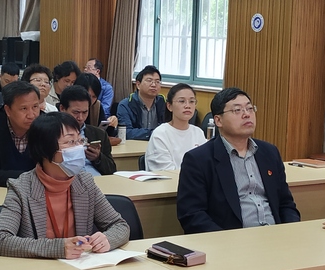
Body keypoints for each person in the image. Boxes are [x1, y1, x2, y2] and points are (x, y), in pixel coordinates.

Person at [0, 112, 129, 259]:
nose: (79, 147)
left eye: (80, 140)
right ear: (45, 149)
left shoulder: (84, 182)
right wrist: (57, 248)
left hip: (80, 267)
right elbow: (0, 240)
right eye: (70, 142)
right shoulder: (21, 188)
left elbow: (119, 225)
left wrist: (107, 239)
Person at [177, 87, 300, 234]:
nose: (247, 114)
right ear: (218, 120)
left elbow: (286, 204)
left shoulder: (269, 152)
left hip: (275, 237)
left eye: (250, 108)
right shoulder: (198, 160)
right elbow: (192, 215)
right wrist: (228, 241)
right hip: (230, 240)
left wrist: (290, 232)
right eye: (237, 110)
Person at [145, 83, 206, 171]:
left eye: (192, 101)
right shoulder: (161, 134)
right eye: (181, 101)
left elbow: (205, 166)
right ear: (169, 106)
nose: (187, 106)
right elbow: (166, 171)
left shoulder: (198, 132)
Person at [58, 85, 116, 175]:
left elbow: (112, 169)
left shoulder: (99, 134)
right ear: (62, 108)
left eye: (85, 112)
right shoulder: (53, 134)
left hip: (98, 179)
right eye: (76, 112)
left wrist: (98, 158)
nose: (80, 118)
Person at [117, 65, 166, 140]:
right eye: (149, 80)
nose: (154, 85)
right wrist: (154, 133)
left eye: (157, 82)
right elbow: (126, 132)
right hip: (135, 146)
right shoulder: (126, 105)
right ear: (138, 85)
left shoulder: (164, 104)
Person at [74, 73, 119, 142]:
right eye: (88, 95)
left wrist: (111, 125)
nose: (90, 100)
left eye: (94, 97)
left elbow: (104, 134)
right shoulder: (68, 105)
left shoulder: (97, 106)